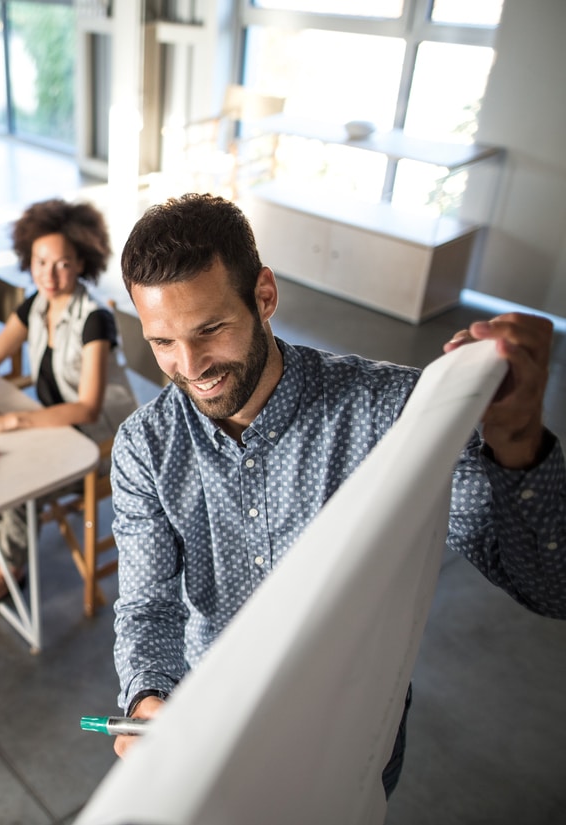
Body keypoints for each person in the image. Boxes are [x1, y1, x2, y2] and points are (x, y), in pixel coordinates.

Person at [109, 193, 565, 794]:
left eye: (211, 329)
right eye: (162, 342)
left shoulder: (393, 414)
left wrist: (518, 445)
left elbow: (551, 585)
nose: (190, 365)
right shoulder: (144, 445)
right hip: (213, 730)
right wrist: (147, 698)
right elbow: (148, 606)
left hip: (353, 736)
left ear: (265, 295)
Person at [0, 199, 137, 607]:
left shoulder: (94, 320)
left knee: (18, 478)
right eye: (40, 262)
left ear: (82, 262)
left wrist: (8, 422)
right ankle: (1, 558)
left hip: (101, 443)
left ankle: (9, 569)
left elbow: (88, 408)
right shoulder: (35, 303)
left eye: (63, 264)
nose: (49, 276)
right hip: (58, 426)